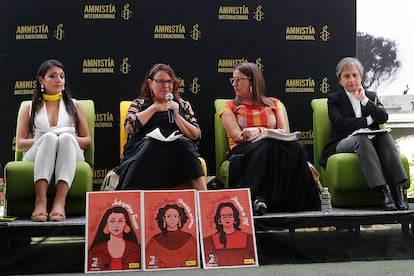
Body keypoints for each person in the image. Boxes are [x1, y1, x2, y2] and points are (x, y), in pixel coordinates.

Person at [220, 62, 321, 215]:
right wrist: (255, 134)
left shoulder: (274, 103)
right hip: (243, 149)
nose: (234, 84)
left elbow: (284, 131)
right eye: (232, 80)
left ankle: (299, 201)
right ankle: (259, 198)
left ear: (253, 81)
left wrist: (259, 130)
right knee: (267, 145)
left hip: (272, 145)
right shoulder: (229, 107)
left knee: (296, 147)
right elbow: (237, 136)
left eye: (239, 80)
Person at [319, 57, 409, 211]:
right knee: (361, 138)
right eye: (346, 76)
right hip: (343, 141)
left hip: (371, 139)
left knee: (385, 136)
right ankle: (384, 193)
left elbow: (383, 117)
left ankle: (399, 192)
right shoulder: (334, 99)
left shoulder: (371, 96)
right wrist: (368, 120)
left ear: (361, 77)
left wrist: (364, 100)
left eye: (355, 75)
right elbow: (341, 123)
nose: (351, 80)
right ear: (340, 80)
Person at [16, 59, 91, 222]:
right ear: (41, 80)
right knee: (50, 137)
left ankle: (59, 201)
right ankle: (40, 201)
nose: (59, 80)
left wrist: (64, 135)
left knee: (64, 138)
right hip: (38, 150)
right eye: (53, 76)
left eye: (62, 76)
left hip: (69, 149)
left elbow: (86, 141)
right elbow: (21, 143)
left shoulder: (74, 105)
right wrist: (41, 139)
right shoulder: (29, 107)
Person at [116, 63, 206, 191]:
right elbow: (129, 127)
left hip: (176, 150)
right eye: (161, 82)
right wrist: (154, 108)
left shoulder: (182, 104)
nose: (166, 86)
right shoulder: (139, 103)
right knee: (152, 143)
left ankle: (205, 200)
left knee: (183, 143)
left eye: (170, 82)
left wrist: (176, 116)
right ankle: (127, 201)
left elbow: (196, 135)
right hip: (146, 149)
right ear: (150, 83)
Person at [202, 202, 256, 267]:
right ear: (219, 219)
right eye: (223, 216)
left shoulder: (248, 237)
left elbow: (253, 259)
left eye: (230, 215)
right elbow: (208, 261)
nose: (227, 218)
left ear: (235, 218)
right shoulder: (209, 240)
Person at [88, 206, 141, 271]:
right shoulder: (95, 251)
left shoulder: (136, 249)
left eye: (120, 221)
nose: (116, 225)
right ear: (106, 224)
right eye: (112, 221)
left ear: (126, 224)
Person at [145, 204, 198, 268]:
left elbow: (195, 261)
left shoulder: (190, 239)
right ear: (164, 219)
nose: (172, 219)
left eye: (175, 216)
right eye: (168, 216)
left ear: (180, 218)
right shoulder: (154, 241)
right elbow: (150, 263)